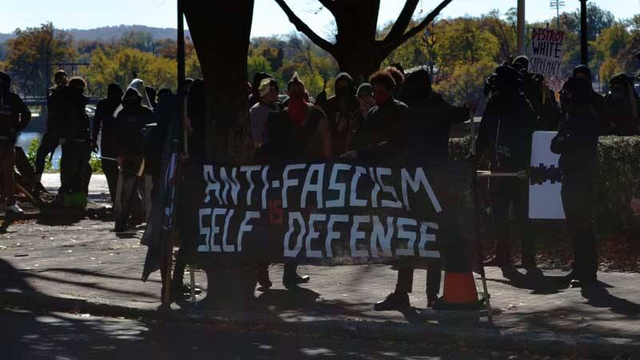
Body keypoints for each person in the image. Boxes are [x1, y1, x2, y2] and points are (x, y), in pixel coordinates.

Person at [261, 73, 332, 289]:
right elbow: (327, 142)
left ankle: (262, 269)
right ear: (306, 94)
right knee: (298, 225)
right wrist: (329, 169)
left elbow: (267, 145)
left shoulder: (277, 117)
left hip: (280, 178)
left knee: (277, 224)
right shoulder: (317, 115)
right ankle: (289, 273)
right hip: (306, 178)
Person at [476, 65, 538, 273]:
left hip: (503, 167)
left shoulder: (498, 102)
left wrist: (474, 156)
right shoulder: (524, 103)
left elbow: (484, 131)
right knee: (522, 215)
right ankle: (527, 257)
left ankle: (505, 255)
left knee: (501, 213)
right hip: (518, 168)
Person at [551, 77, 600, 292]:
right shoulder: (572, 116)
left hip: (580, 176)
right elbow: (556, 145)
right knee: (575, 225)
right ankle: (580, 267)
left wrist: (566, 141)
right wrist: (566, 141)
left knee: (582, 225)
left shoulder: (586, 117)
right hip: (571, 175)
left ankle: (587, 271)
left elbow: (568, 143)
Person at [113, 82, 155, 231]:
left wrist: (118, 154)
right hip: (144, 155)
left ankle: (130, 217)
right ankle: (148, 218)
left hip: (128, 155)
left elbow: (116, 135)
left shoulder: (122, 114)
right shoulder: (147, 112)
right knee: (147, 188)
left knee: (129, 188)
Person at [0, 71, 31, 214]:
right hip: (8, 139)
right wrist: (17, 128)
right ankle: (10, 204)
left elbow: (26, 114)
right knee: (8, 172)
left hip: (7, 140)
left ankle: (10, 203)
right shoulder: (13, 98)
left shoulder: (13, 99)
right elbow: (27, 114)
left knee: (8, 172)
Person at [58, 77, 92, 200]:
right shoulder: (75, 101)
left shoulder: (64, 99)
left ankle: (68, 192)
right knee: (78, 168)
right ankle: (73, 193)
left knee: (70, 167)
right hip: (75, 139)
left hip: (72, 140)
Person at [511, 56, 562, 131]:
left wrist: (547, 97)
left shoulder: (542, 90)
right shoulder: (512, 91)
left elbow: (554, 119)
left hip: (538, 133)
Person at [92, 83, 123, 204]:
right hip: (122, 142)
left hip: (107, 142)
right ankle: (125, 201)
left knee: (110, 172)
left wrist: (94, 140)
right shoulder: (123, 104)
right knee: (127, 172)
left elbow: (96, 123)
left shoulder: (102, 104)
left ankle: (115, 199)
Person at [35, 70, 67, 184]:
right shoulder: (52, 92)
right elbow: (51, 101)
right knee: (40, 154)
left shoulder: (71, 93)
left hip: (65, 132)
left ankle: (66, 185)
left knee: (67, 160)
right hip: (53, 131)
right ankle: (37, 180)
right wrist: (60, 89)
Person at [322, 72, 359, 156]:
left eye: (345, 86)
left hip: (354, 147)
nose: (343, 89)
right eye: (340, 86)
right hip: (334, 147)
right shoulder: (330, 104)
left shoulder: (357, 103)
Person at [250, 77, 280, 150]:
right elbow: (256, 142)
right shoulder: (257, 111)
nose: (274, 93)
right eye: (269, 90)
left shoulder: (277, 107)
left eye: (275, 89)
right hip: (266, 156)